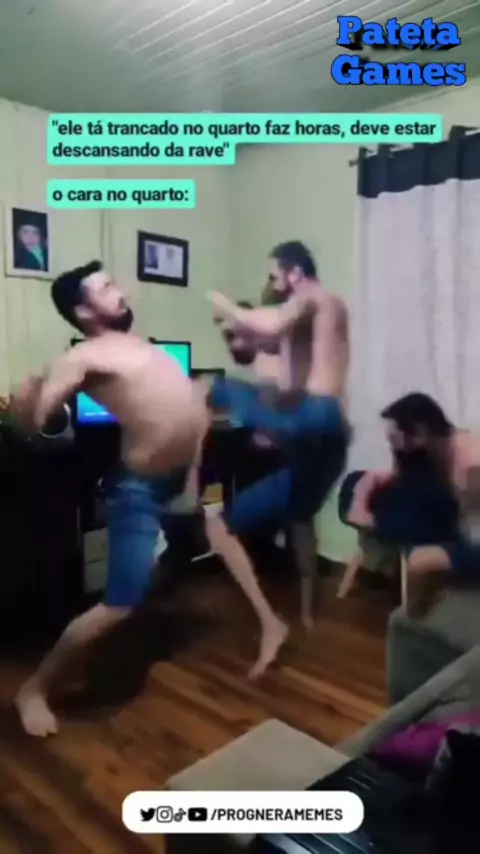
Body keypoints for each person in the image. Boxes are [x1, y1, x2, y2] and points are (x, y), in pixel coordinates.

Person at [206, 241, 350, 636]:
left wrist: (229, 307)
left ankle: (212, 521)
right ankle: (301, 609)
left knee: (215, 407)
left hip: (295, 439)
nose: (233, 345)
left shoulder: (289, 326)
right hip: (301, 441)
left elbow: (279, 401)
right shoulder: (286, 339)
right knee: (288, 513)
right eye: (228, 339)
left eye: (236, 337)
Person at [342, 392, 480, 613]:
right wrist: (368, 486)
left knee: (418, 545)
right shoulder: (430, 451)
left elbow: (468, 526)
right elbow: (402, 477)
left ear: (420, 432)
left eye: (397, 439)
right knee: (359, 481)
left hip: (468, 537)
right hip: (452, 523)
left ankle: (413, 615)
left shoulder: (470, 462)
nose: (395, 446)